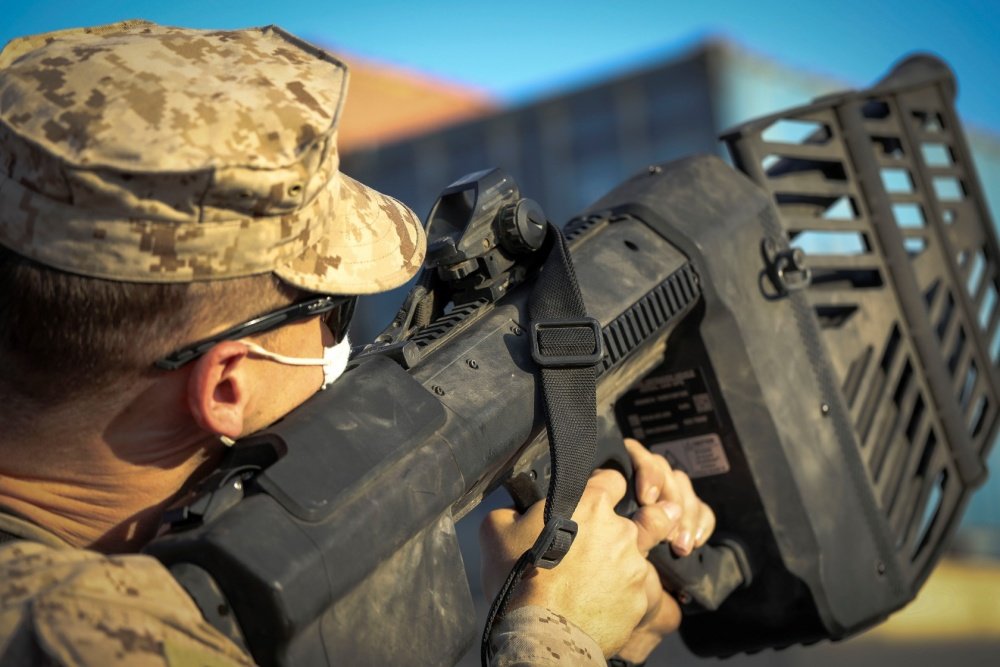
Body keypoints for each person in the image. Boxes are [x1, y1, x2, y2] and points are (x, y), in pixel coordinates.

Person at [0, 20, 715, 666]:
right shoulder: (79, 637)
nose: (347, 337)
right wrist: (554, 635)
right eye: (336, 308)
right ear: (227, 384)